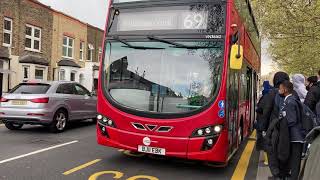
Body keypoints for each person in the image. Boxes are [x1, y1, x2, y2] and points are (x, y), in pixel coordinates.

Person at [260, 72, 290, 179]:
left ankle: (277, 175)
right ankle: (284, 174)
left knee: (272, 152)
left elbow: (266, 112)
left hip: (274, 129)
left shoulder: (272, 93)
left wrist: (263, 129)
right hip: (288, 130)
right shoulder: (292, 93)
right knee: (285, 151)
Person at [279, 80, 305, 180]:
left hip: (295, 136)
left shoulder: (290, 102)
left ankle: (294, 178)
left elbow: (292, 120)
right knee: (294, 159)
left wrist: (282, 122)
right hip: (295, 135)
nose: (279, 90)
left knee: (295, 159)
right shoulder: (290, 100)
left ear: (285, 89)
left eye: (280, 88)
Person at [255, 81, 272, 166]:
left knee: (264, 141)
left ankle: (267, 161)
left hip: (263, 121)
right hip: (267, 121)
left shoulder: (265, 97)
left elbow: (260, 108)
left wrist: (257, 108)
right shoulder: (271, 95)